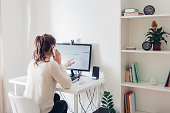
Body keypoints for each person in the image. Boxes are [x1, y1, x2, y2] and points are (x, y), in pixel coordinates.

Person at [23, 34, 74, 113]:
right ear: (52, 47)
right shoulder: (51, 64)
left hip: (30, 108)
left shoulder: (32, 62)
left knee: (56, 96)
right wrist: (59, 63)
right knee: (63, 104)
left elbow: (49, 71)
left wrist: (65, 65)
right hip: (42, 111)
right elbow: (67, 84)